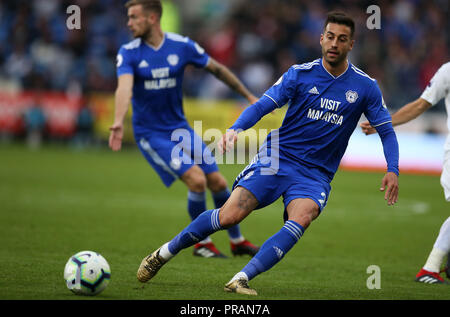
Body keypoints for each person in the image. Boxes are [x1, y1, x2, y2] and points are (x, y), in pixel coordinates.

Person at [136, 11, 400, 295]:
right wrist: (237, 128)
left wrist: (392, 169)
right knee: (229, 217)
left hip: (315, 174)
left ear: (351, 44)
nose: (335, 43)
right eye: (331, 37)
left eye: (342, 39)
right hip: (277, 158)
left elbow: (386, 131)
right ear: (322, 39)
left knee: (303, 216)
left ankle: (240, 278)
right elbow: (263, 106)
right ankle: (162, 254)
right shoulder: (299, 74)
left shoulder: (366, 87)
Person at [109, 0, 260, 258]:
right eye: (129, 17)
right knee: (197, 180)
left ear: (152, 18)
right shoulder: (129, 52)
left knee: (218, 181)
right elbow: (124, 87)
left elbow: (218, 69)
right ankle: (202, 244)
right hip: (152, 135)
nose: (129, 22)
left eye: (134, 17)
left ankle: (237, 241)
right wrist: (118, 121)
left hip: (180, 129)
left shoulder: (182, 46)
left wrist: (248, 95)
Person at [361, 62, 450, 284]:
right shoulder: (447, 71)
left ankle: (433, 267)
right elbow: (420, 105)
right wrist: (384, 123)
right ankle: (430, 268)